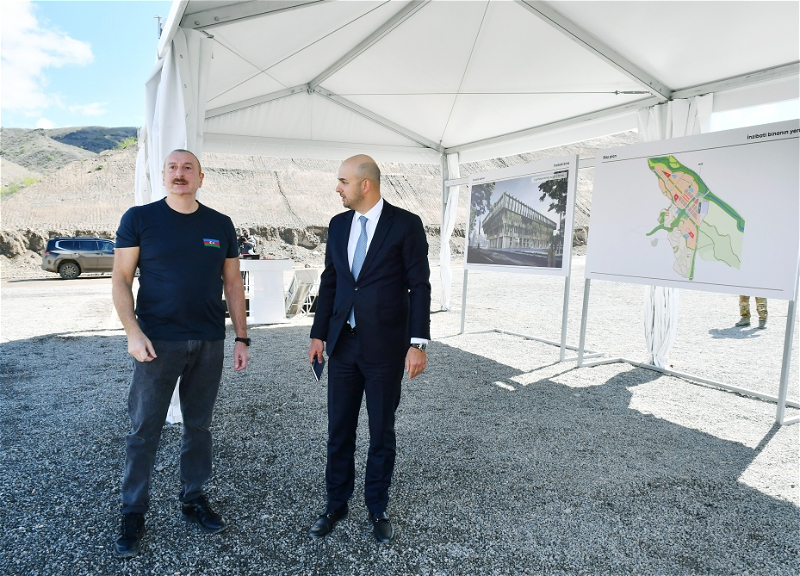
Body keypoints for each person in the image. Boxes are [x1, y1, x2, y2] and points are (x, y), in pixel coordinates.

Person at [111, 149, 250, 558]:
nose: (180, 173)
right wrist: (133, 333)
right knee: (144, 430)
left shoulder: (220, 224)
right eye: (172, 167)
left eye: (188, 167)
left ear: (201, 178)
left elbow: (232, 284)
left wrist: (242, 337)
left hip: (209, 340)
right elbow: (121, 278)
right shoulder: (139, 219)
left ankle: (193, 498)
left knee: (199, 426)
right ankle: (133, 511)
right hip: (156, 342)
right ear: (162, 175)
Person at [307, 154, 431, 543]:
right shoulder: (338, 225)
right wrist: (318, 334)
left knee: (381, 433)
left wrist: (417, 342)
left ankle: (377, 507)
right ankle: (335, 504)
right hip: (343, 345)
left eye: (343, 181)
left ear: (365, 184)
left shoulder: (406, 225)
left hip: (386, 349)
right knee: (338, 430)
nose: (337, 188)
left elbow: (419, 286)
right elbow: (331, 281)